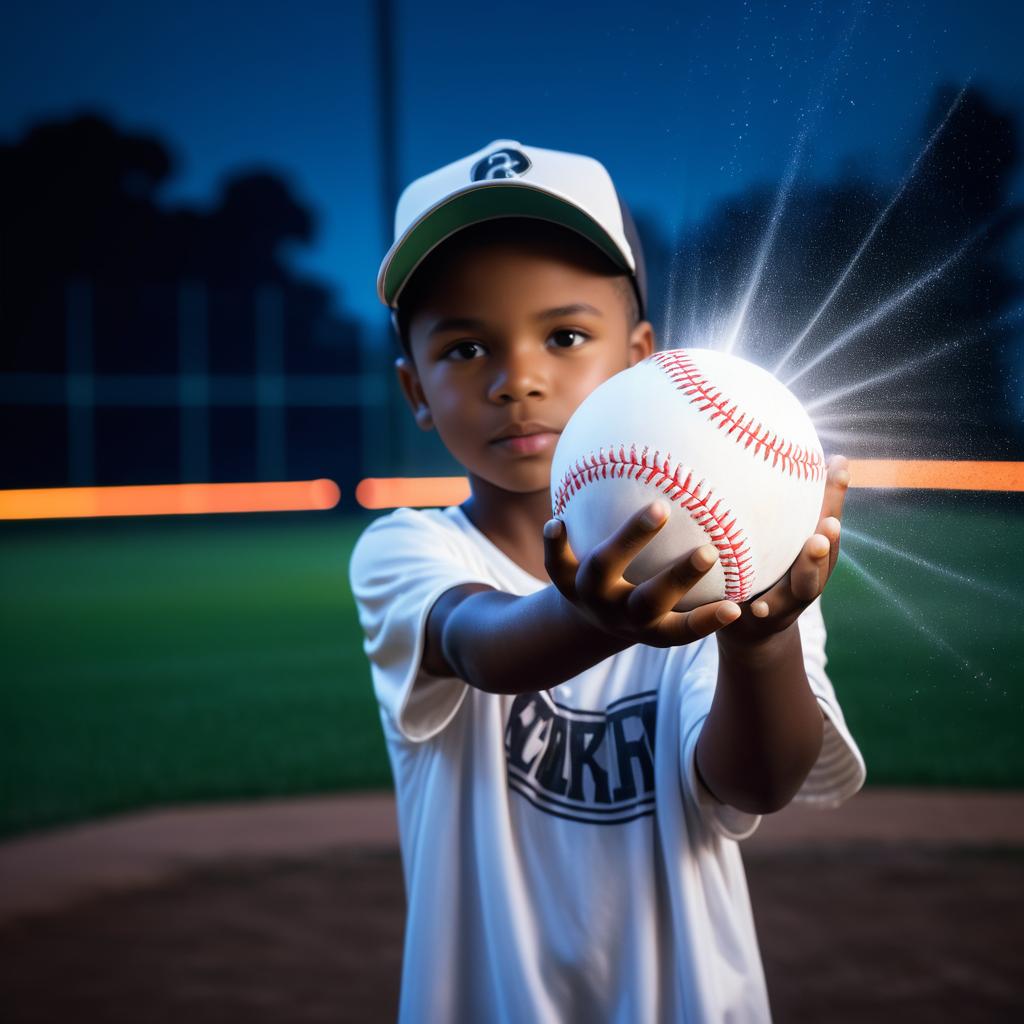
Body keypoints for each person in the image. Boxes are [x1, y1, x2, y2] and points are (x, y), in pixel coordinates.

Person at [349, 139, 866, 1023]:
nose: (520, 380)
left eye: (564, 335)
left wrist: (762, 639)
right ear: (415, 391)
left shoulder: (742, 560)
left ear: (639, 357)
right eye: (467, 348)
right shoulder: (407, 552)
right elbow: (484, 645)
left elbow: (758, 784)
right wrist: (597, 617)